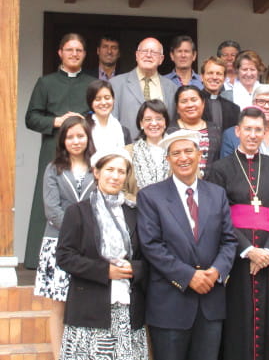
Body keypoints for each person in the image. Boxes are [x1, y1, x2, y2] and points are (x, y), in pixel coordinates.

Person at [137, 129, 237, 360]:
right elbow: (151, 245)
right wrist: (188, 276)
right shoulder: (151, 196)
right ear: (168, 159)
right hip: (170, 304)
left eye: (188, 151)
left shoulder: (217, 194)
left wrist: (216, 271)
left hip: (211, 303)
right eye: (176, 153)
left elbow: (229, 240)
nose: (183, 158)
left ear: (199, 154)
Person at [208, 107, 269, 360]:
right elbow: (217, 215)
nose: (253, 135)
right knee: (239, 317)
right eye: (248, 129)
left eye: (259, 130)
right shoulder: (220, 168)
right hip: (236, 258)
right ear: (237, 131)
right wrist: (247, 250)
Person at [56, 148, 148, 360]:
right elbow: (65, 256)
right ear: (96, 172)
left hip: (128, 309)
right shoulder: (78, 212)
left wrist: (133, 269)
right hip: (90, 309)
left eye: (121, 171)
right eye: (109, 170)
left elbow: (147, 256)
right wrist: (105, 270)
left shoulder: (135, 212)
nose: (115, 176)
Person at [24, 33, 95, 268]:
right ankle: (38, 258)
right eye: (69, 49)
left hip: (84, 148)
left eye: (79, 50)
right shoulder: (46, 82)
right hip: (53, 147)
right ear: (60, 53)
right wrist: (57, 121)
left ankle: (84, 255)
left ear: (85, 54)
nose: (74, 54)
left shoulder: (91, 84)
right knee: (47, 200)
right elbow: (31, 118)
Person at [34, 116, 95, 359]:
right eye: (70, 137)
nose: (76, 141)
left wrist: (88, 235)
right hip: (57, 243)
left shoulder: (97, 166)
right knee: (58, 306)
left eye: (80, 135)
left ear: (88, 138)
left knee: (87, 302)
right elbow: (52, 210)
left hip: (91, 245)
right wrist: (77, 233)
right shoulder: (53, 168)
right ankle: (59, 355)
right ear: (63, 141)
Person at [111, 37, 177, 139]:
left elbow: (173, 123)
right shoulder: (116, 84)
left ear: (161, 59)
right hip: (128, 149)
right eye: (144, 51)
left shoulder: (171, 88)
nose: (148, 55)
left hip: (161, 149)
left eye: (154, 52)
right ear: (137, 55)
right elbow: (112, 122)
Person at [167, 85, 221, 179]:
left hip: (211, 187)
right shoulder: (170, 131)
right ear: (177, 107)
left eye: (194, 99)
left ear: (203, 103)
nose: (190, 105)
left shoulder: (215, 129)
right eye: (184, 101)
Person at [124, 99, 170, 201]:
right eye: (148, 119)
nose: (154, 123)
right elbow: (120, 189)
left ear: (165, 122)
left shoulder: (177, 150)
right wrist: (141, 203)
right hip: (137, 211)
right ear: (141, 123)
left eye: (158, 119)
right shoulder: (126, 153)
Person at [85, 79, 131, 150]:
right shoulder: (83, 129)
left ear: (113, 99)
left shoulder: (124, 131)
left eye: (107, 98)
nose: (103, 103)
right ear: (90, 102)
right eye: (98, 99)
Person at [200, 56, 240, 132]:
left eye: (219, 74)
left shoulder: (234, 109)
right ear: (201, 77)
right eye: (210, 73)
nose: (214, 77)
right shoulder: (192, 104)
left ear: (224, 78)